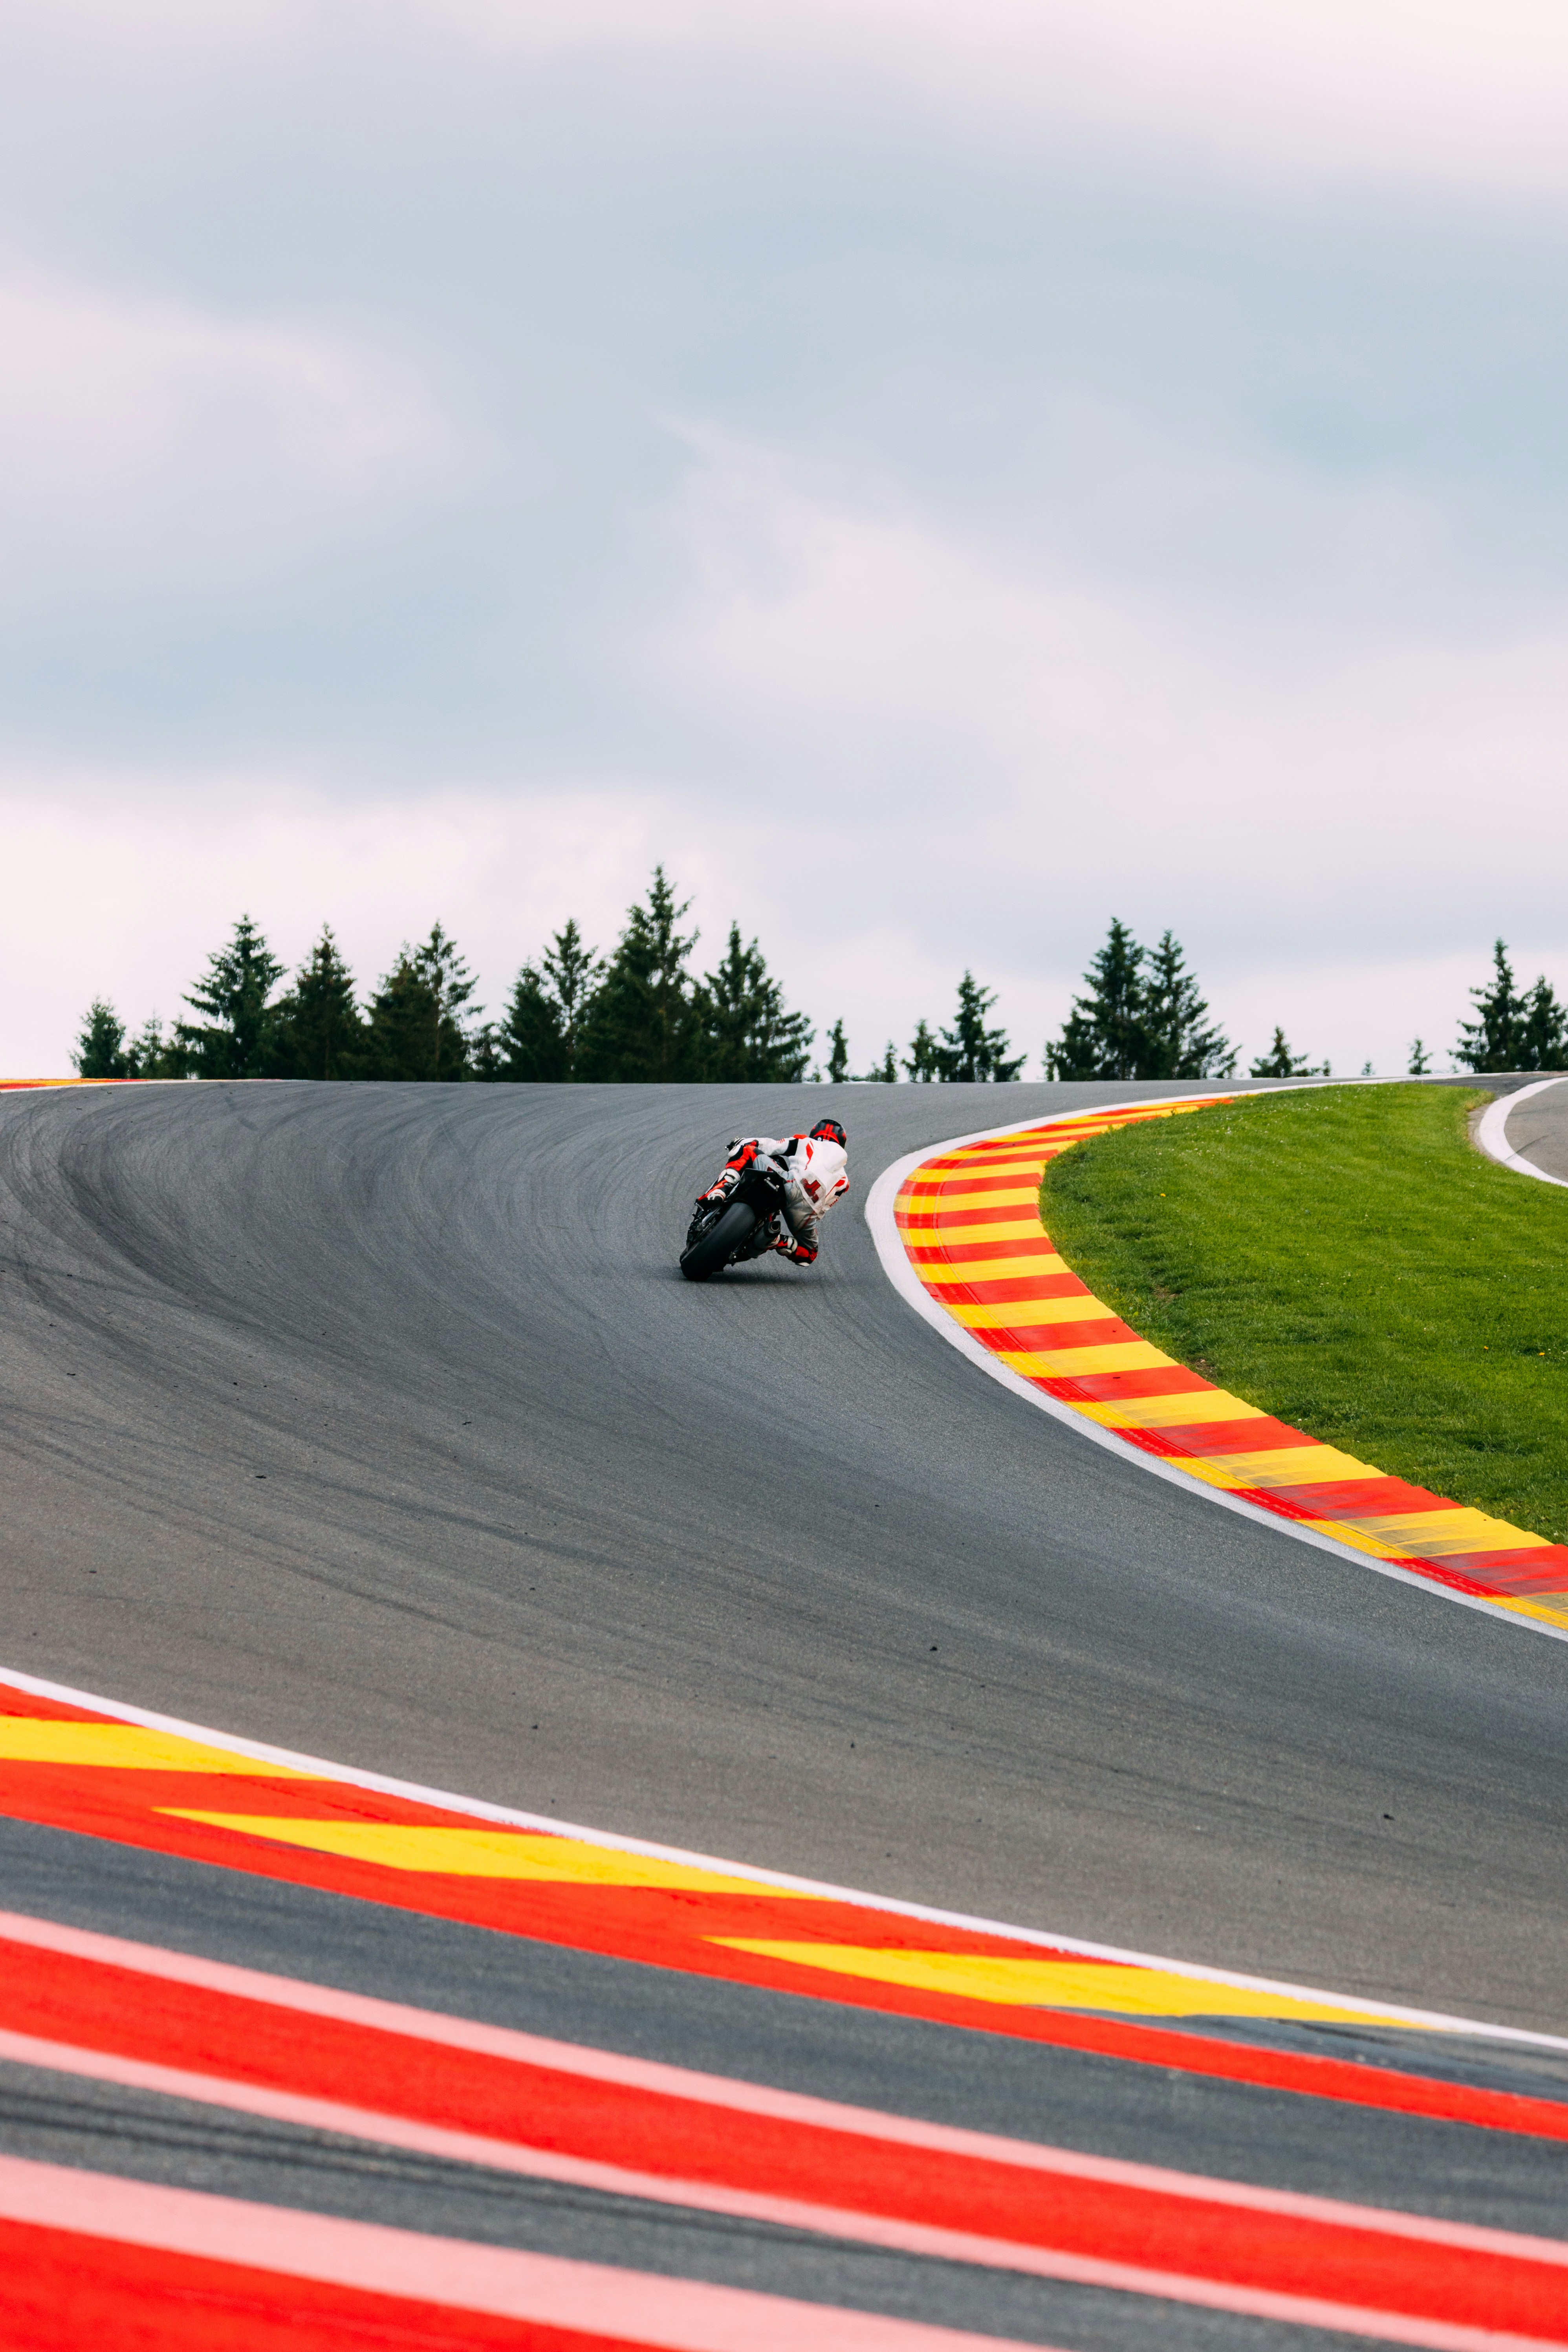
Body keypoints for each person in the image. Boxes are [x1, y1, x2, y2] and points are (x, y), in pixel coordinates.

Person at [695, 1118, 848, 1266]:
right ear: (841, 1144)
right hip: (807, 1213)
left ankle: (720, 1190)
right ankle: (776, 1240)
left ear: (815, 1134)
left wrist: (742, 1142)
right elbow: (823, 1209)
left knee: (748, 1150)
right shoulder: (845, 1181)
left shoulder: (805, 1141)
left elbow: (771, 1146)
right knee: (809, 1255)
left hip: (789, 1184)